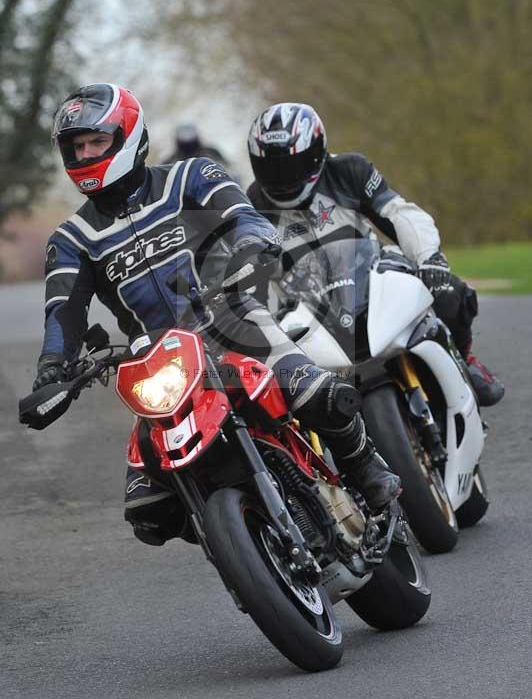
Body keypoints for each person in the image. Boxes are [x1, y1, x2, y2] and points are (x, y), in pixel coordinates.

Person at [32, 83, 400, 547]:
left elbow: (245, 217)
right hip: (161, 366)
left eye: (96, 141)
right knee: (149, 510)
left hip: (234, 321)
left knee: (317, 393)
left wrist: (251, 245)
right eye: (76, 146)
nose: (85, 154)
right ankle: (240, 542)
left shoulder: (191, 176)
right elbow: (62, 311)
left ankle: (366, 465)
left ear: (128, 135)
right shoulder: (72, 238)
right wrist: (51, 369)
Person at [246, 102, 504, 408]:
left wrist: (429, 258)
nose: (282, 178)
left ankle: (464, 356)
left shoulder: (349, 171)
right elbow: (255, 271)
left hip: (370, 274)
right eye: (271, 169)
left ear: (317, 153)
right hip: (308, 305)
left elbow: (399, 214)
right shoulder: (251, 205)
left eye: (290, 167)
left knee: (449, 291)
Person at [165, 121, 232, 170]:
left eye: (190, 133)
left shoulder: (212, 153)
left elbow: (230, 170)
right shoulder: (171, 161)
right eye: (183, 135)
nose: (187, 138)